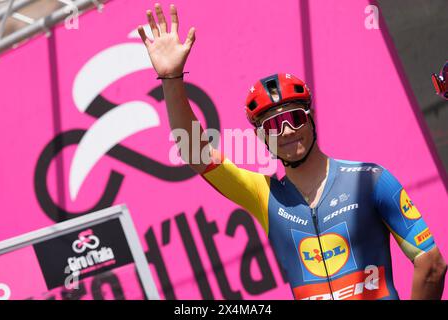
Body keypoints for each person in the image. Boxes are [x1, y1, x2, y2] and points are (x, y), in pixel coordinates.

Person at [137, 3, 447, 300]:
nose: (286, 130)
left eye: (294, 117)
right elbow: (194, 152)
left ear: (311, 120)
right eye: (272, 125)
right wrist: (171, 79)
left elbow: (431, 264)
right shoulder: (264, 195)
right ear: (261, 137)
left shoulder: (371, 180)